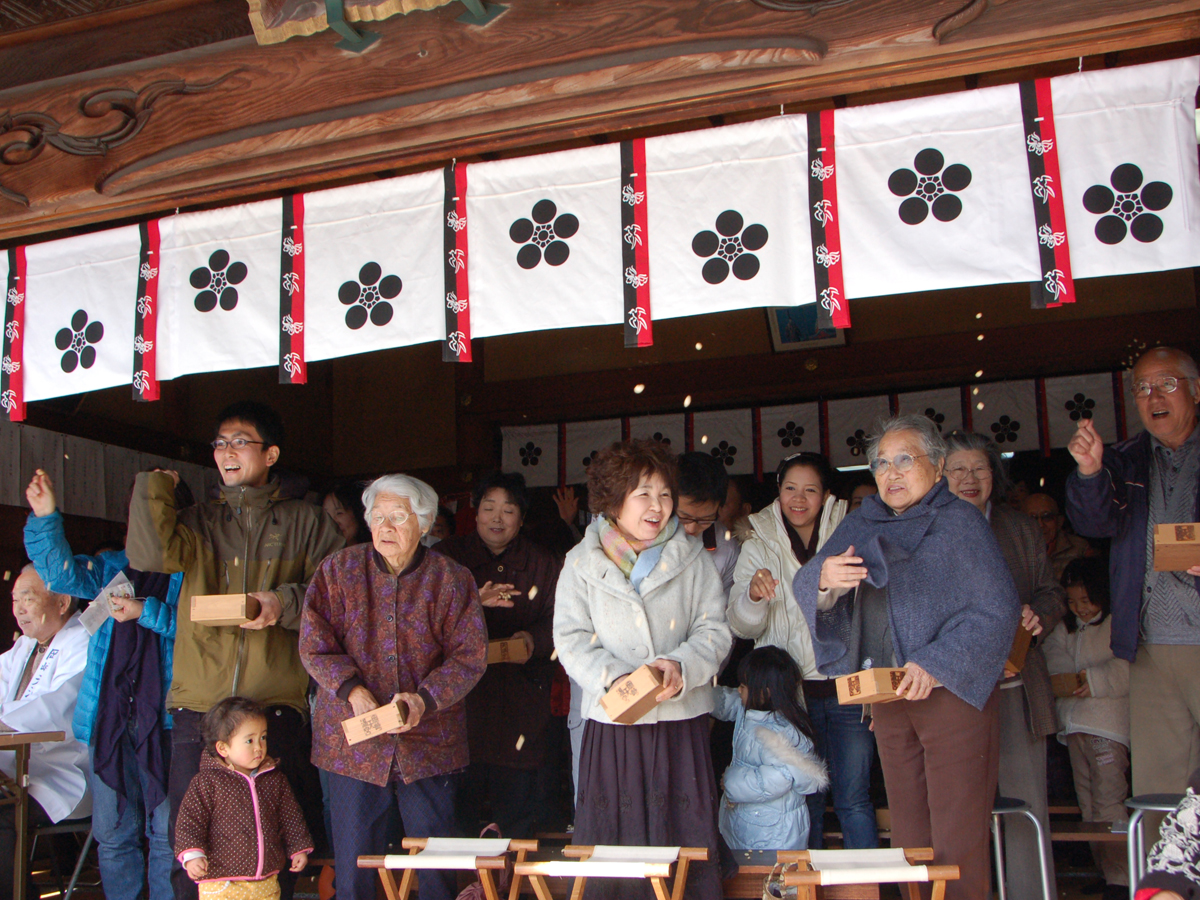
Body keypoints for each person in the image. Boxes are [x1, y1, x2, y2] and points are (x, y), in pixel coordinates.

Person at [125, 400, 345, 900]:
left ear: (270, 454)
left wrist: (281, 603)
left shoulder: (307, 522)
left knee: (276, 840)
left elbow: (337, 596)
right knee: (189, 844)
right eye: (220, 443)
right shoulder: (196, 521)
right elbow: (148, 553)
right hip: (199, 706)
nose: (226, 452)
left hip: (274, 707)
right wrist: (153, 488)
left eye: (239, 442)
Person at [795, 414, 1020, 900]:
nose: (891, 473)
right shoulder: (861, 521)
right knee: (910, 833)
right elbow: (811, 582)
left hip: (952, 694)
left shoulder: (959, 522)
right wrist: (825, 582)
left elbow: (997, 611)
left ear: (937, 467)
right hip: (889, 698)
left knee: (956, 833)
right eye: (880, 463)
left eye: (904, 460)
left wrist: (936, 664)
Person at [554, 439, 732, 900]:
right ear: (613, 502)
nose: (658, 506)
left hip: (680, 719)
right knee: (618, 839)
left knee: (683, 835)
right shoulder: (580, 563)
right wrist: (615, 677)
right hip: (614, 721)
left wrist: (681, 664)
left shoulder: (693, 558)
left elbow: (715, 629)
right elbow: (570, 639)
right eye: (643, 494)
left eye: (665, 494)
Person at [300, 474, 487, 900]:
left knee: (435, 868)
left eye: (397, 517)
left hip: (429, 745)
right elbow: (313, 645)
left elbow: (469, 657)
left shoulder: (452, 579)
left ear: (423, 523)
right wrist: (352, 690)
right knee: (354, 872)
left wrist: (424, 700)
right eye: (377, 516)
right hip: (354, 748)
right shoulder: (338, 570)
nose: (385, 527)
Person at [24, 469, 186, 900]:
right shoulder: (113, 566)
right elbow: (60, 577)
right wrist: (44, 517)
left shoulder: (190, 569)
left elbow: (195, 632)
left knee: (166, 836)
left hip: (168, 722)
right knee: (113, 836)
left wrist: (143, 611)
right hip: (110, 721)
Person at [1066, 347, 1200, 809]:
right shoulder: (1124, 459)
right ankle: (1164, 883)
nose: (1153, 395)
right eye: (1142, 387)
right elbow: (1093, 523)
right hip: (1149, 645)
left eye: (1166, 383)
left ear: (1196, 390)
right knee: (1160, 783)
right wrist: (1090, 471)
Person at [728, 452, 875, 849]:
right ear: (778, 492)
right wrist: (754, 597)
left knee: (854, 799)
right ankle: (801, 890)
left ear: (826, 494)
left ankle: (867, 890)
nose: (799, 498)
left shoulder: (853, 531)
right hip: (787, 696)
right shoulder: (757, 540)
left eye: (810, 490)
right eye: (790, 488)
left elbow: (871, 609)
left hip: (846, 688)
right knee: (801, 799)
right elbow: (741, 625)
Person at [945, 431, 1064, 900]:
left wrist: (1040, 616)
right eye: (957, 469)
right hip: (953, 692)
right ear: (940, 476)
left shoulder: (1019, 527)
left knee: (1025, 805)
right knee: (959, 812)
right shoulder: (927, 528)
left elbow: (1051, 592)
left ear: (995, 474)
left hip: (1016, 688)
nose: (969, 479)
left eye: (980, 468)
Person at [436, 471, 560, 838]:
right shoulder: (447, 558)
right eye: (488, 508)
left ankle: (513, 888)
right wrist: (472, 601)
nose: (496, 518)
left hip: (520, 701)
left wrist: (534, 640)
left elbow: (564, 619)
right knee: (457, 811)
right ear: (474, 514)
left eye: (507, 511)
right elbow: (422, 621)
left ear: (521, 518)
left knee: (517, 814)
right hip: (461, 705)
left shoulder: (543, 563)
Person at [0, 566, 91, 899]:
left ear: (62, 601)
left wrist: (7, 724)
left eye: (29, 598)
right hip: (17, 765)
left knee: (4, 809)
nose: (20, 609)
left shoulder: (83, 640)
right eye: (15, 599)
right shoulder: (25, 646)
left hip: (62, 772)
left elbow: (60, 703)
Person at [1044, 558, 1130, 900]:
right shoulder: (1067, 627)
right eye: (1074, 601)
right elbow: (1053, 655)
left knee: (1109, 801)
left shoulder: (1116, 625)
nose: (1080, 608)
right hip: (1076, 725)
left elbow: (1126, 667)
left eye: (1086, 601)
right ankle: (1106, 871)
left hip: (1108, 727)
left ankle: (1121, 877)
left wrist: (1090, 680)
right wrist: (1071, 678)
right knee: (1088, 804)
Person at [174, 697, 312, 900]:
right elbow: (189, 822)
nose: (259, 747)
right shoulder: (207, 782)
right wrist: (192, 855)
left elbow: (291, 818)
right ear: (223, 748)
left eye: (263, 738)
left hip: (265, 881)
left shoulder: (274, 779)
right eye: (249, 741)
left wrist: (298, 848)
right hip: (221, 883)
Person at [711, 646, 828, 851]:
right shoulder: (748, 710)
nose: (738, 690)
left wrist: (730, 782)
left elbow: (779, 778)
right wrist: (693, 691)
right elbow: (722, 702)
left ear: (764, 693)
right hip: (754, 824)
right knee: (749, 877)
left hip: (773, 833)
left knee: (774, 879)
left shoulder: (779, 734)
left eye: (744, 686)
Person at [677, 452, 740, 597]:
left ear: (719, 509)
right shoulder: (645, 533)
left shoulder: (726, 547)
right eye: (683, 517)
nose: (691, 528)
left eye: (705, 520)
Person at [1023, 493, 1095, 580]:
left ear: (1059, 521)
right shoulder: (1013, 551)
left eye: (1047, 517)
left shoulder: (1080, 548)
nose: (1040, 524)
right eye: (1032, 519)